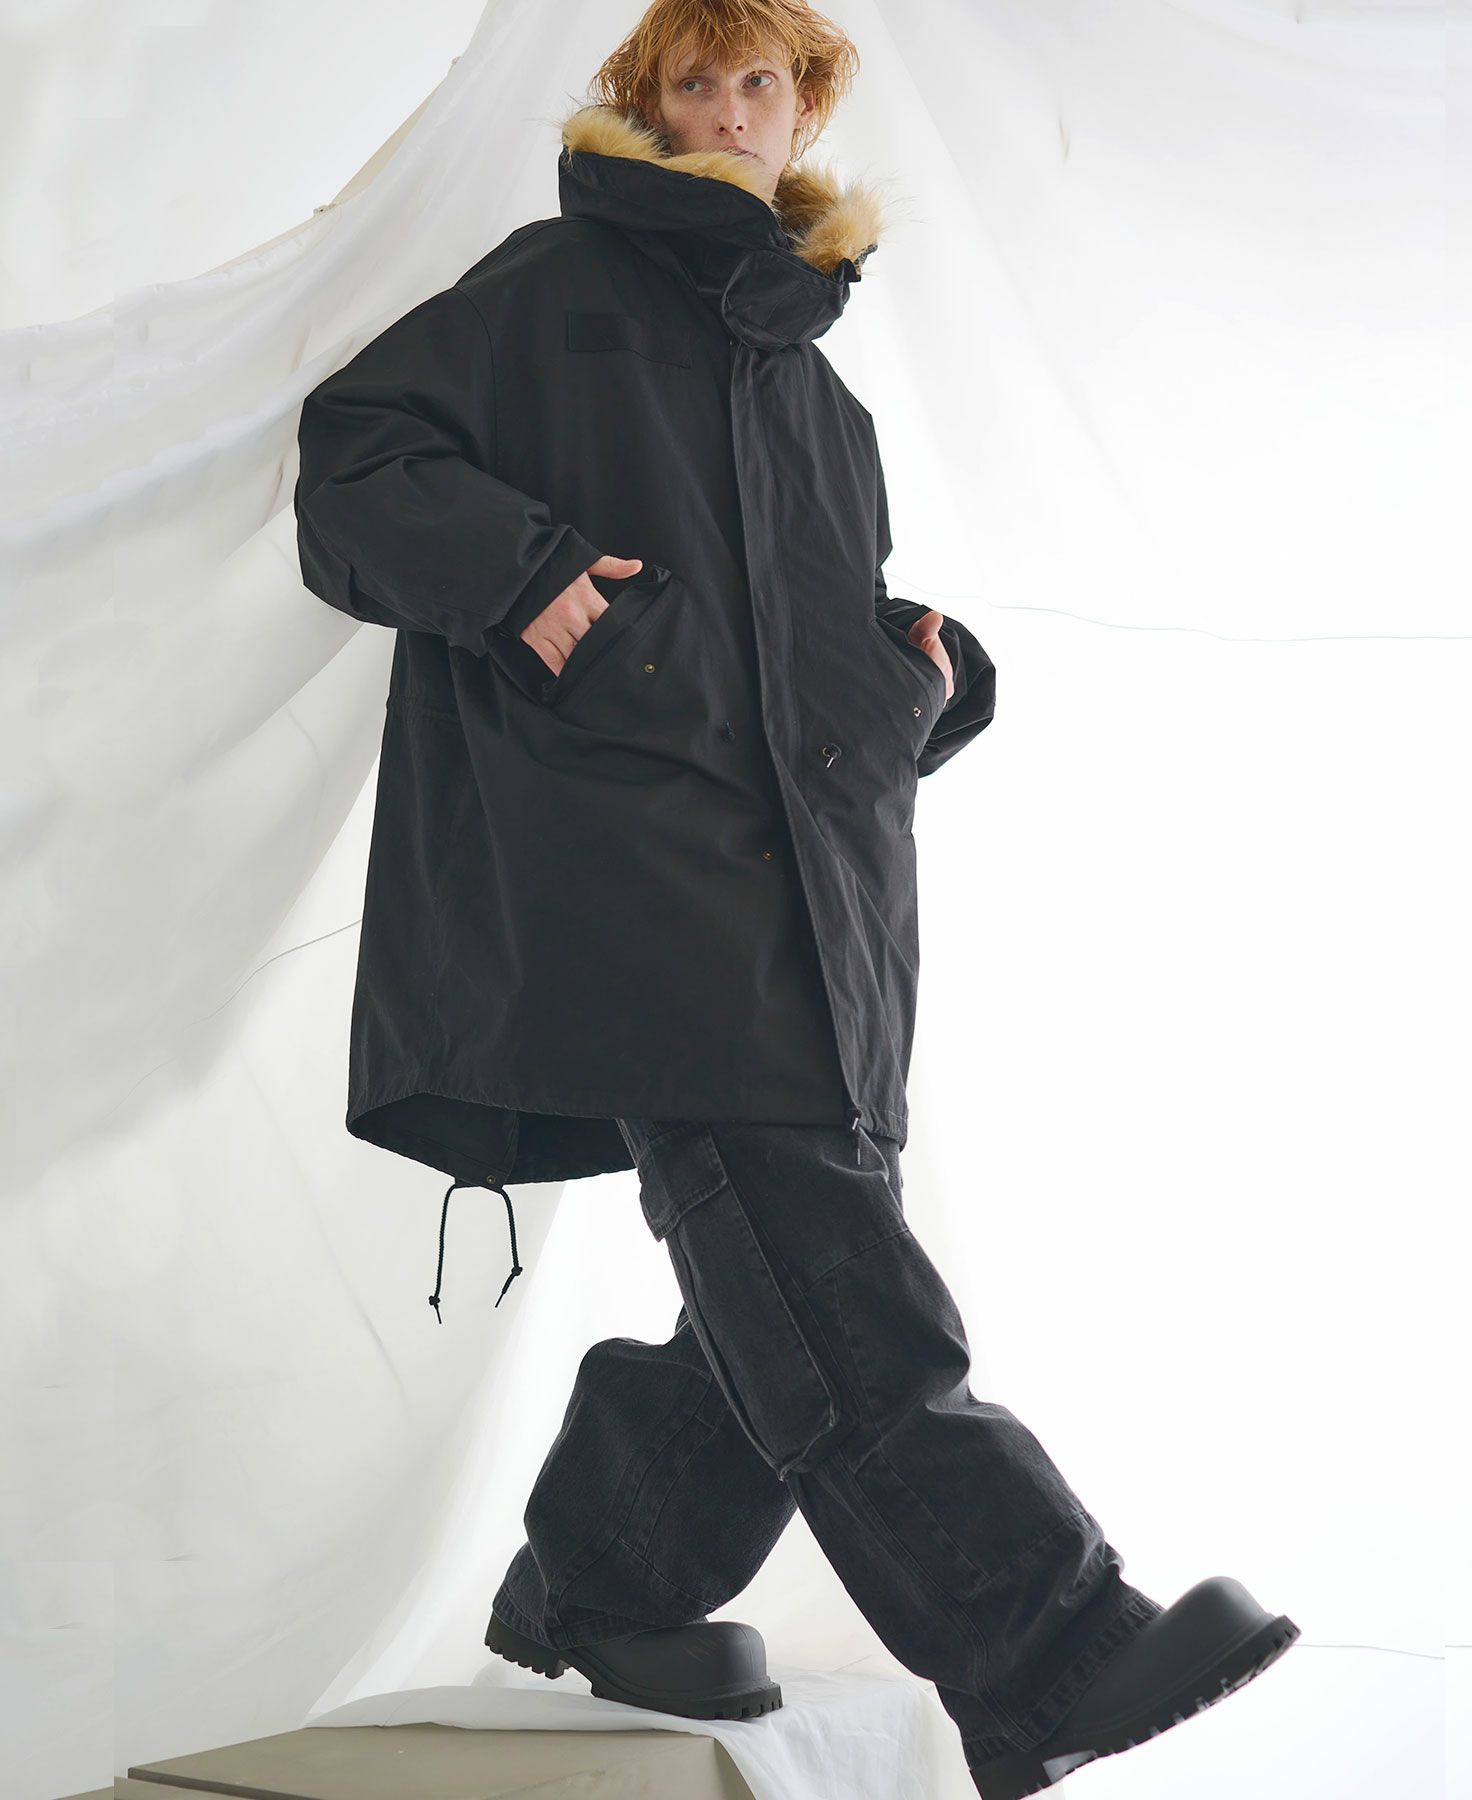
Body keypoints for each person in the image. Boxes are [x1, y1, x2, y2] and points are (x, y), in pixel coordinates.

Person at [293, 3, 1299, 1793]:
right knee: (836, 1288)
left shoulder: (821, 400)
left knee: (771, 1280)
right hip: (642, 891)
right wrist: (528, 576)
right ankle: (1052, 1653)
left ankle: (602, 1578)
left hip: (827, 921)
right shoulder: (552, 295)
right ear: (651, 106)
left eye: (763, 80)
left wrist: (917, 676)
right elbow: (357, 450)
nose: (732, 110)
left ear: (803, 108)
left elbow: (783, 647)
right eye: (697, 80)